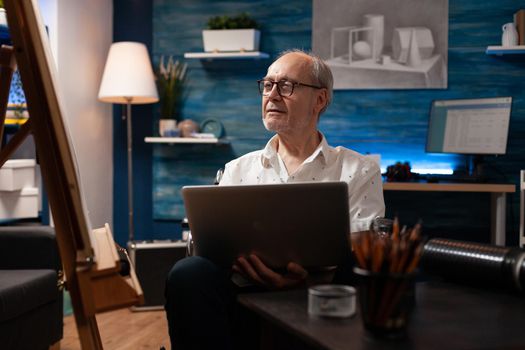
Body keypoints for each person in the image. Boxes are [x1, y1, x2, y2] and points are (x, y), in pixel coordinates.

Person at [165, 49, 385, 349]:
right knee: (188, 272)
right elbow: (209, 248)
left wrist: (309, 282)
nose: (272, 95)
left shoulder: (359, 169)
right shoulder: (237, 169)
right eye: (267, 85)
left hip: (323, 295)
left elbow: (363, 252)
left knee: (368, 256)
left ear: (319, 100)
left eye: (286, 86)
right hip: (244, 291)